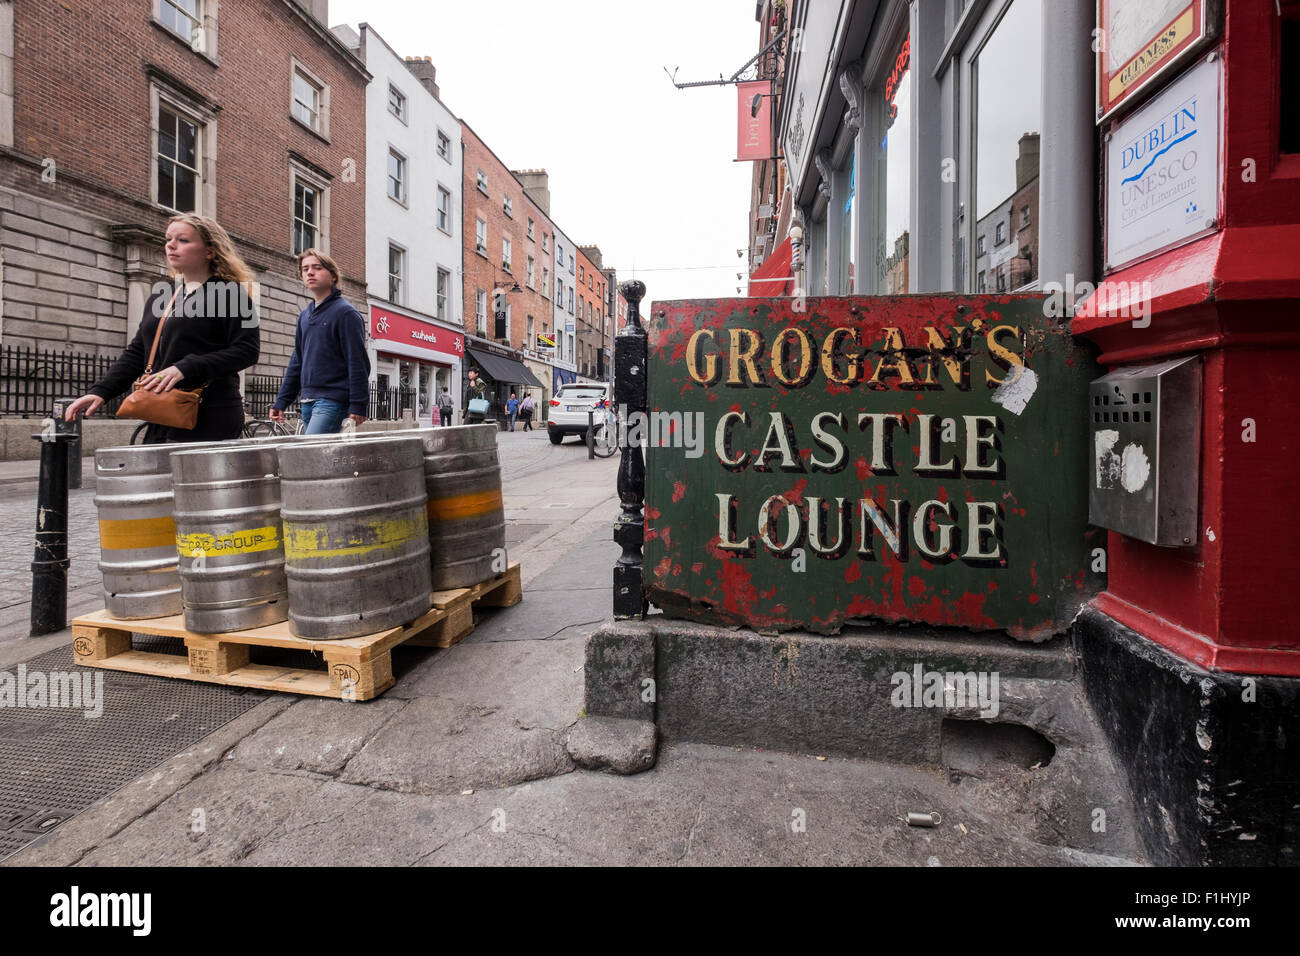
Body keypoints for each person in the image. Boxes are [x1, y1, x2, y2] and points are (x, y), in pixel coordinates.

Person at [63, 214, 259, 442]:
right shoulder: (163, 294)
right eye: (168, 239)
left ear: (210, 251)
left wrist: (184, 368)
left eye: (183, 240)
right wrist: (101, 391)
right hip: (162, 411)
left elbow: (247, 351)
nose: (171, 246)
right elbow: (138, 351)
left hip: (211, 412)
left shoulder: (232, 293)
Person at [271, 249, 370, 434]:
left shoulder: (346, 313)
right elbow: (297, 361)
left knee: (309, 456)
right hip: (307, 401)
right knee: (321, 459)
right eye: (305, 268)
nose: (309, 272)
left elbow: (357, 361)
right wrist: (282, 401)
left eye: (317, 268)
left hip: (333, 400)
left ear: (333, 276)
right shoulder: (304, 316)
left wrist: (358, 404)